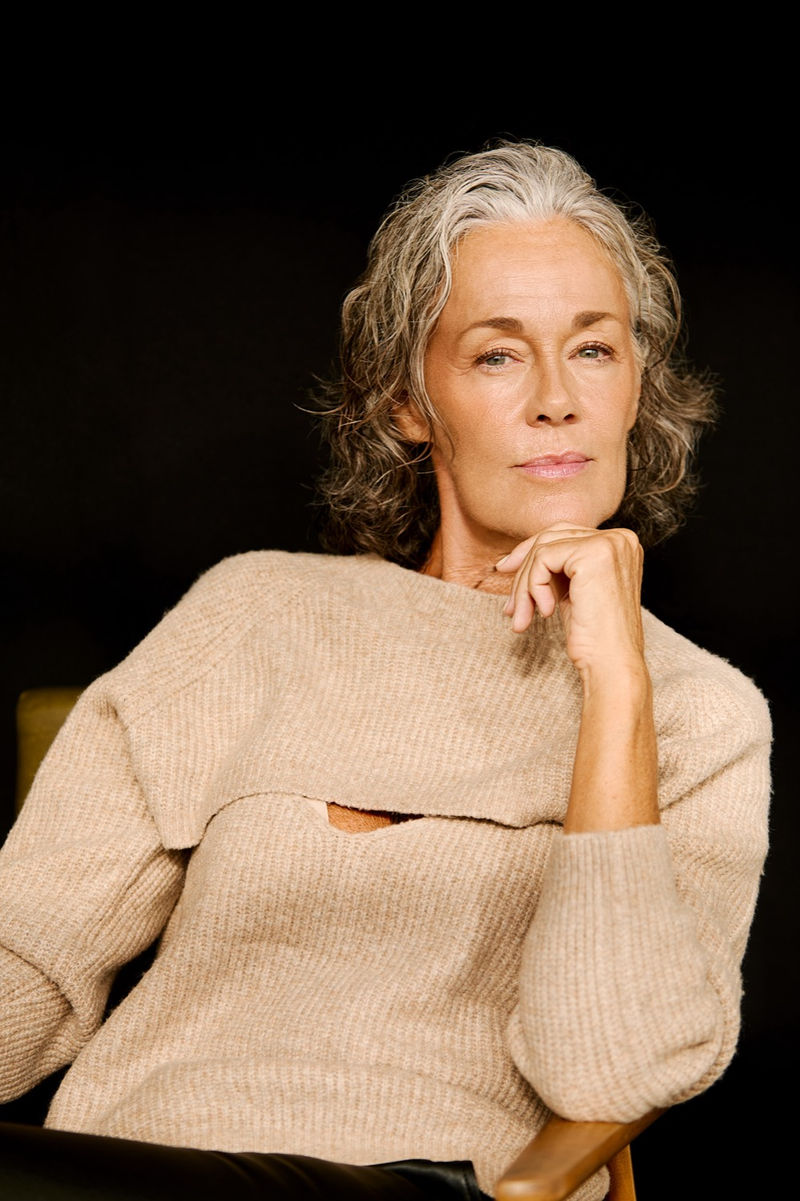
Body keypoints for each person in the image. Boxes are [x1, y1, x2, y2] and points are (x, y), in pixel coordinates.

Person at [0, 141, 771, 1201]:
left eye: (593, 349)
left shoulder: (698, 714)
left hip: (415, 1183)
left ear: (637, 384)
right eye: (498, 356)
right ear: (408, 402)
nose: (556, 398)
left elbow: (613, 1069)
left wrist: (616, 687)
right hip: (129, 1162)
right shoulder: (254, 615)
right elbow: (28, 959)